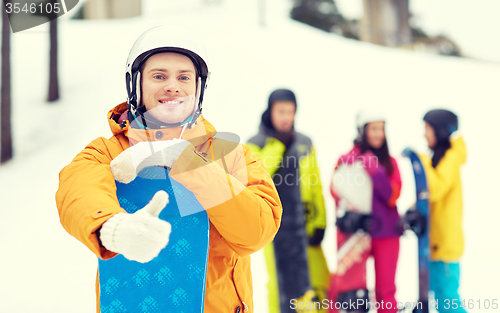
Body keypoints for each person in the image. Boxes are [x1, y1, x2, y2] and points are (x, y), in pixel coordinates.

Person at [55, 25, 282, 313]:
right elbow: (78, 189)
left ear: (198, 88)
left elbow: (256, 231)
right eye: (159, 76)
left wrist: (189, 164)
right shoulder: (107, 152)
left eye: (184, 77)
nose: (172, 86)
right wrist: (111, 228)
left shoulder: (231, 154)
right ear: (135, 84)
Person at [247, 89, 329, 313]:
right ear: (270, 111)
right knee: (279, 283)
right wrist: (278, 146)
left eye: (290, 112)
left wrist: (320, 221)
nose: (286, 117)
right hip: (273, 227)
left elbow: (315, 184)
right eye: (281, 111)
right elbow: (257, 176)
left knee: (311, 282)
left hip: (303, 225)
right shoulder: (257, 144)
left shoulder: (304, 143)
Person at [329, 110, 402, 313]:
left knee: (385, 292)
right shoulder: (347, 160)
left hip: (386, 234)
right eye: (374, 129)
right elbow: (334, 190)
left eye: (382, 129)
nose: (379, 134)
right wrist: (351, 164)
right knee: (346, 289)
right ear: (363, 131)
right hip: (357, 234)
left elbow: (392, 196)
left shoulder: (391, 164)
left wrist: (375, 171)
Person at [420, 109, 466, 313]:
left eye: (427, 129)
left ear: (439, 131)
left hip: (445, 244)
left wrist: (420, 162)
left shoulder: (450, 158)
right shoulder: (440, 157)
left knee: (448, 301)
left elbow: (435, 189)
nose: (424, 134)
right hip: (436, 242)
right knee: (440, 300)